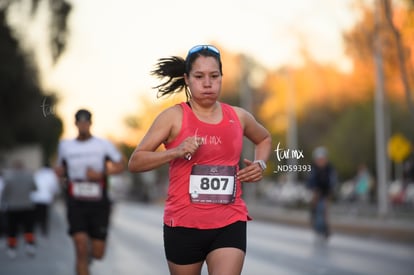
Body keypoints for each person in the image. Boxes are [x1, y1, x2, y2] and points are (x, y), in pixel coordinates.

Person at [128, 45, 272, 275]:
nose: (208, 83)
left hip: (229, 221)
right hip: (183, 225)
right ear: (187, 79)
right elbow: (135, 161)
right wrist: (174, 152)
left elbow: (264, 138)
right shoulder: (173, 117)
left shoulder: (239, 116)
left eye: (214, 76)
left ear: (222, 78)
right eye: (199, 76)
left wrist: (260, 164)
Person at [55, 109, 125, 275]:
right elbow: (61, 167)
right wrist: (59, 171)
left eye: (86, 122)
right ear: (76, 124)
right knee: (80, 247)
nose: (83, 125)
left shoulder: (103, 144)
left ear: (90, 124)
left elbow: (121, 165)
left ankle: (90, 254)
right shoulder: (65, 146)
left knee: (98, 253)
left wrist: (101, 174)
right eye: (80, 122)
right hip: (75, 200)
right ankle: (83, 258)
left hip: (98, 202)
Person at [1, 160, 37, 259]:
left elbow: (5, 192)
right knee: (28, 227)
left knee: (12, 229)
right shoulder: (29, 176)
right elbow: (34, 188)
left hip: (13, 207)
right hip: (27, 205)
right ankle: (30, 245)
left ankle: (12, 248)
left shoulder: (8, 178)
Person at [307, 146, 337, 241]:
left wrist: (330, 192)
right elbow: (310, 181)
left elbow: (333, 181)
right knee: (316, 210)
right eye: (319, 159)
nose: (321, 161)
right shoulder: (313, 169)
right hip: (316, 193)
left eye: (322, 159)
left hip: (325, 193)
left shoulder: (329, 169)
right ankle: (317, 227)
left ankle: (325, 229)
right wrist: (314, 191)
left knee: (324, 211)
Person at [31, 162, 60, 237]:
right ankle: (44, 229)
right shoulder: (52, 175)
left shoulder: (38, 173)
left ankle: (34, 229)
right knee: (44, 215)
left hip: (35, 197)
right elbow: (54, 187)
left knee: (36, 214)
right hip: (45, 198)